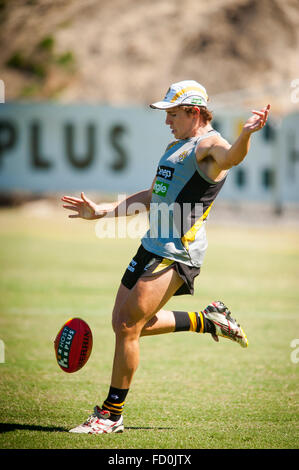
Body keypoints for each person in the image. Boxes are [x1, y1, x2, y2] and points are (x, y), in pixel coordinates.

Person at [62, 80, 270, 434]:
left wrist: (246, 135)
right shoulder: (177, 146)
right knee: (123, 322)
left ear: (194, 112)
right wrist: (103, 211)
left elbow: (231, 157)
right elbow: (152, 194)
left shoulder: (208, 144)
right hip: (151, 244)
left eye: (172, 114)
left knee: (129, 324)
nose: (166, 120)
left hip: (176, 251)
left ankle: (111, 415)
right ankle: (208, 320)